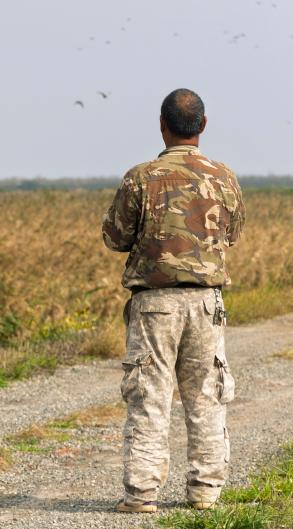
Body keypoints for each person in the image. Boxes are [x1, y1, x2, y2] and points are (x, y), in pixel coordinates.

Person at [102, 88, 245, 513]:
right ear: (202, 126)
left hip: (153, 305)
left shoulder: (140, 177)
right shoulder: (224, 177)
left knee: (148, 397)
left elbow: (114, 237)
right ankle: (204, 492)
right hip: (206, 304)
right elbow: (232, 235)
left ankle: (142, 494)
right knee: (206, 396)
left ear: (162, 125)